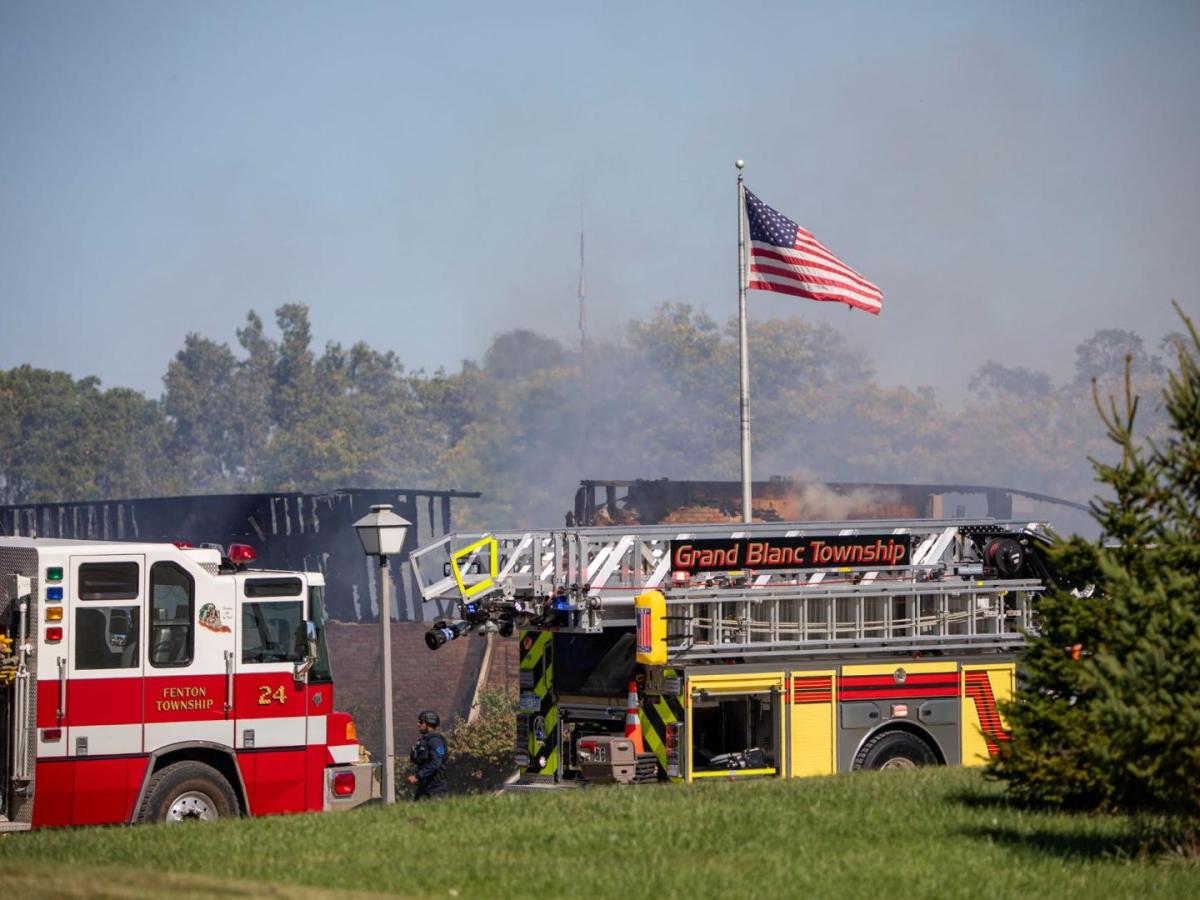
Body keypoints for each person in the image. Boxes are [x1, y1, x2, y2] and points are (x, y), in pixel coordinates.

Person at [407, 710, 448, 800]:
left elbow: (436, 763)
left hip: (435, 786)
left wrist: (418, 776)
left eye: (421, 722)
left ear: (429, 724)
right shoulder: (424, 741)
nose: (418, 725)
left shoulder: (435, 740)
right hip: (424, 785)